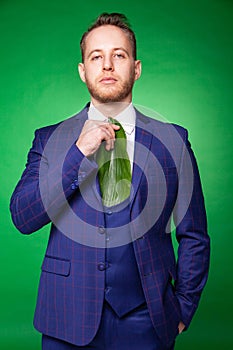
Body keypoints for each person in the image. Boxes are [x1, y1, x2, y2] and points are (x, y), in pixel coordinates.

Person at [10, 13, 210, 350]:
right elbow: (23, 217)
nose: (107, 66)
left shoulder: (173, 141)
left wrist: (183, 308)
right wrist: (78, 153)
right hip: (66, 318)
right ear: (82, 70)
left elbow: (194, 235)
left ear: (136, 68)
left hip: (148, 319)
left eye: (118, 55)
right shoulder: (49, 141)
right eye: (96, 57)